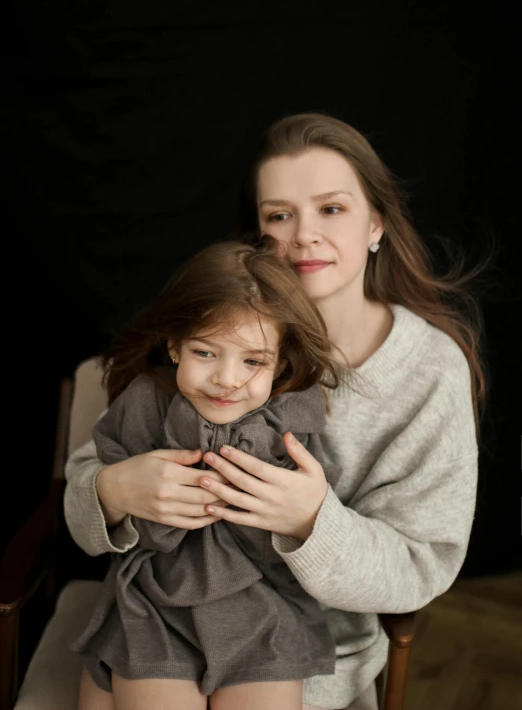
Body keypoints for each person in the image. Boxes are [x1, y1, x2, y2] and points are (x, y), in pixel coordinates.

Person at [65, 113, 484, 710]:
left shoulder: (428, 370)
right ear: (256, 237)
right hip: (156, 626)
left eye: (332, 209)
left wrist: (313, 521)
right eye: (279, 215)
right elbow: (90, 477)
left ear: (376, 224)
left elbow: (424, 564)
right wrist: (111, 491)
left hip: (304, 656)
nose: (303, 236)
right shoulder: (209, 332)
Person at [71, 240, 345, 710]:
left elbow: (314, 516)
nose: (227, 379)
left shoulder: (294, 418)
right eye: (205, 352)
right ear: (175, 345)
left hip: (261, 608)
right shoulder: (144, 403)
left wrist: (300, 512)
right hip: (155, 605)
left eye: (253, 361)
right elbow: (108, 487)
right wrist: (123, 493)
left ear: (279, 362)